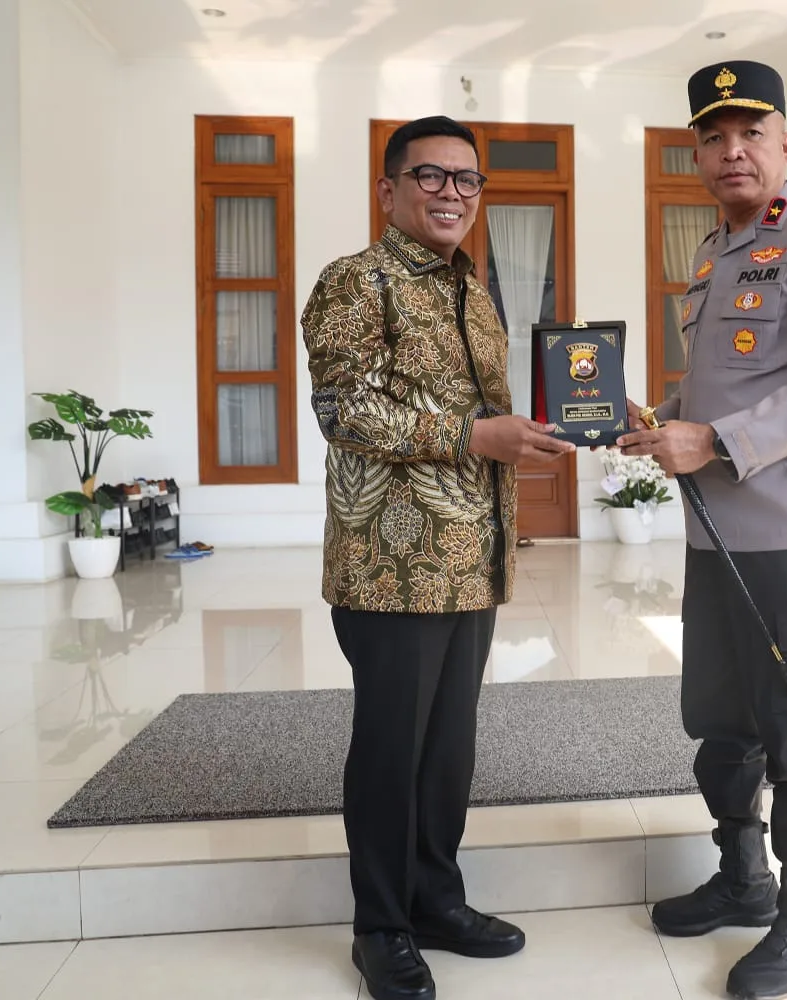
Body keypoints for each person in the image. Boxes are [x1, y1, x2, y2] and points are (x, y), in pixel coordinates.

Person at [615, 61, 787, 1000]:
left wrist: (715, 439)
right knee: (720, 719)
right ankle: (744, 878)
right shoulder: (715, 252)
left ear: (784, 144)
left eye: (750, 134)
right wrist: (668, 418)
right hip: (711, 526)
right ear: (696, 155)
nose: (732, 152)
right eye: (714, 137)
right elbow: (729, 379)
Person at [300, 115, 575, 1000]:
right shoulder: (356, 282)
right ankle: (381, 926)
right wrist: (475, 435)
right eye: (431, 176)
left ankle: (435, 900)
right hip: (392, 565)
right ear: (389, 190)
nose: (452, 193)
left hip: (471, 561)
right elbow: (345, 410)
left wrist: (540, 432)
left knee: (448, 750)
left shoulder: (476, 292)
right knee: (391, 751)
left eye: (467, 179)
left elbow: (484, 418)